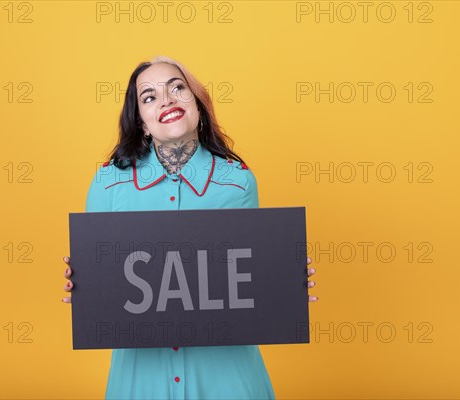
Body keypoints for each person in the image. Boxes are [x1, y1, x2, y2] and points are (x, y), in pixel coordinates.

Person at [61, 55, 319, 399]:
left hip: (228, 380)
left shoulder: (237, 181)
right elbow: (102, 282)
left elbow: (247, 275)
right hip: (141, 381)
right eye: (149, 97)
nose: (166, 99)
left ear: (197, 104)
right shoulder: (108, 183)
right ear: (142, 123)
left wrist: (281, 281)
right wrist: (85, 286)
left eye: (177, 88)